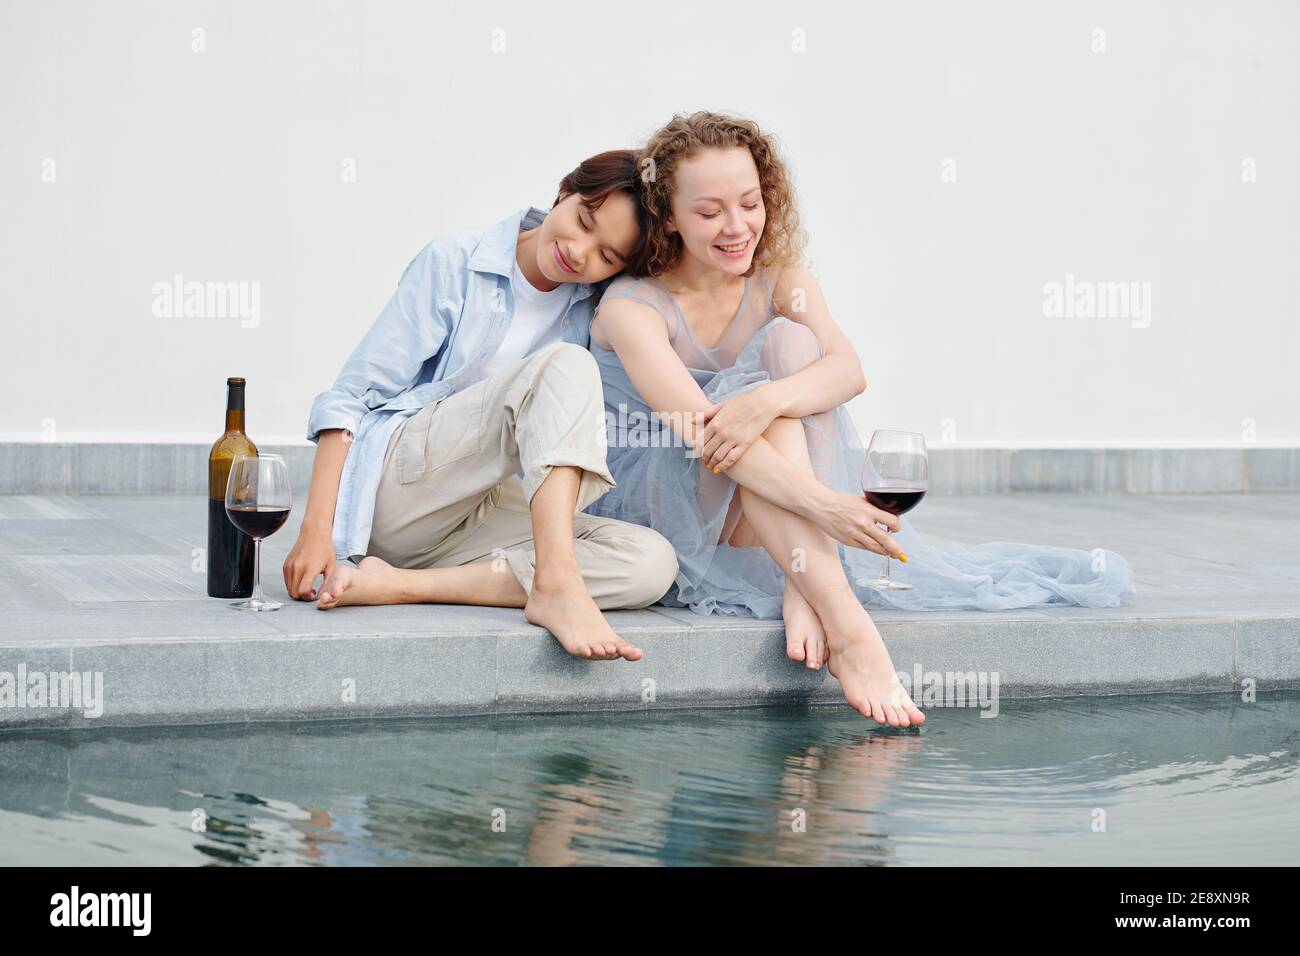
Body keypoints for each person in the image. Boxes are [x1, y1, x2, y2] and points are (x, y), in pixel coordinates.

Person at [585, 113, 1136, 725]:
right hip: (673, 510)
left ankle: (802, 583)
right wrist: (827, 506)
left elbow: (848, 370)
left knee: (791, 352)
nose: (737, 226)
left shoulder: (780, 280)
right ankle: (849, 627)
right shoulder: (633, 305)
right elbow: (705, 434)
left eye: (750, 202)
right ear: (668, 217)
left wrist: (764, 400)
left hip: (766, 499)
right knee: (759, 400)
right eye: (710, 212)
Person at [283, 150, 679, 662]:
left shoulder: (593, 312)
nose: (580, 254)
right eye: (583, 221)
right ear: (563, 192)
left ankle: (399, 585)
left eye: (607, 256)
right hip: (402, 492)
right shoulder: (455, 261)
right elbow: (351, 399)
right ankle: (556, 583)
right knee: (565, 365)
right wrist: (315, 531)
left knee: (650, 563)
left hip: (477, 513)